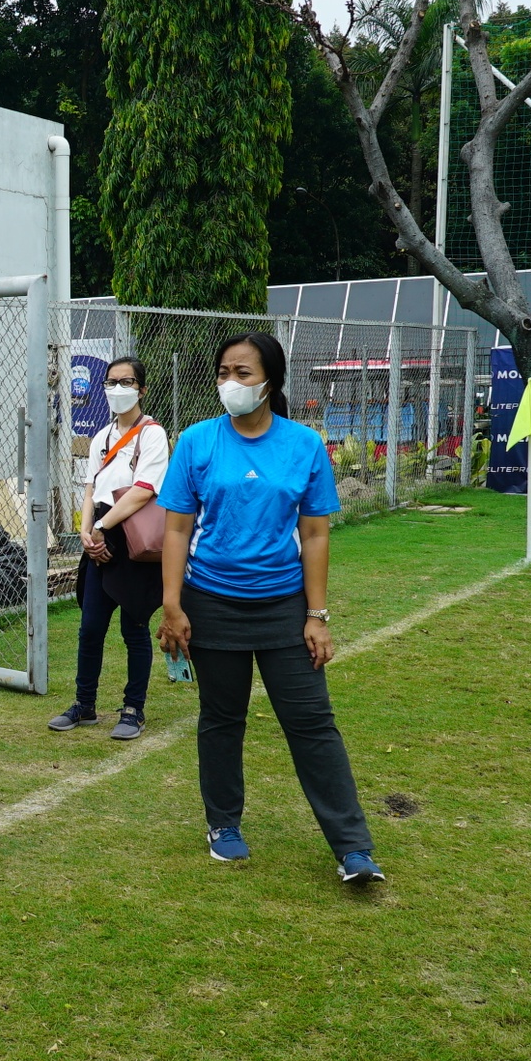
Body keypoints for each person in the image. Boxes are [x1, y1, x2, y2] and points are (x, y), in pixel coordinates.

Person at [154, 331, 385, 884]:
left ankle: (353, 848)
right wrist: (172, 606)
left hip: (284, 607)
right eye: (224, 372)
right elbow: (177, 528)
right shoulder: (196, 442)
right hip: (210, 604)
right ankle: (224, 826)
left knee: (312, 723)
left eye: (243, 373)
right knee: (221, 719)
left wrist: (317, 615)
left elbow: (315, 533)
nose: (230, 384)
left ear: (270, 382)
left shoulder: (303, 445)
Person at [51, 357, 168, 738]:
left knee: (134, 629)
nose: (118, 389)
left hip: (130, 538)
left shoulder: (152, 434)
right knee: (90, 629)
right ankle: (84, 705)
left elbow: (143, 490)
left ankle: (133, 708)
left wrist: (101, 527)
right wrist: (86, 532)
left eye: (127, 382)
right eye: (112, 382)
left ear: (142, 389)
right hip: (98, 536)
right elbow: (90, 488)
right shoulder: (101, 437)